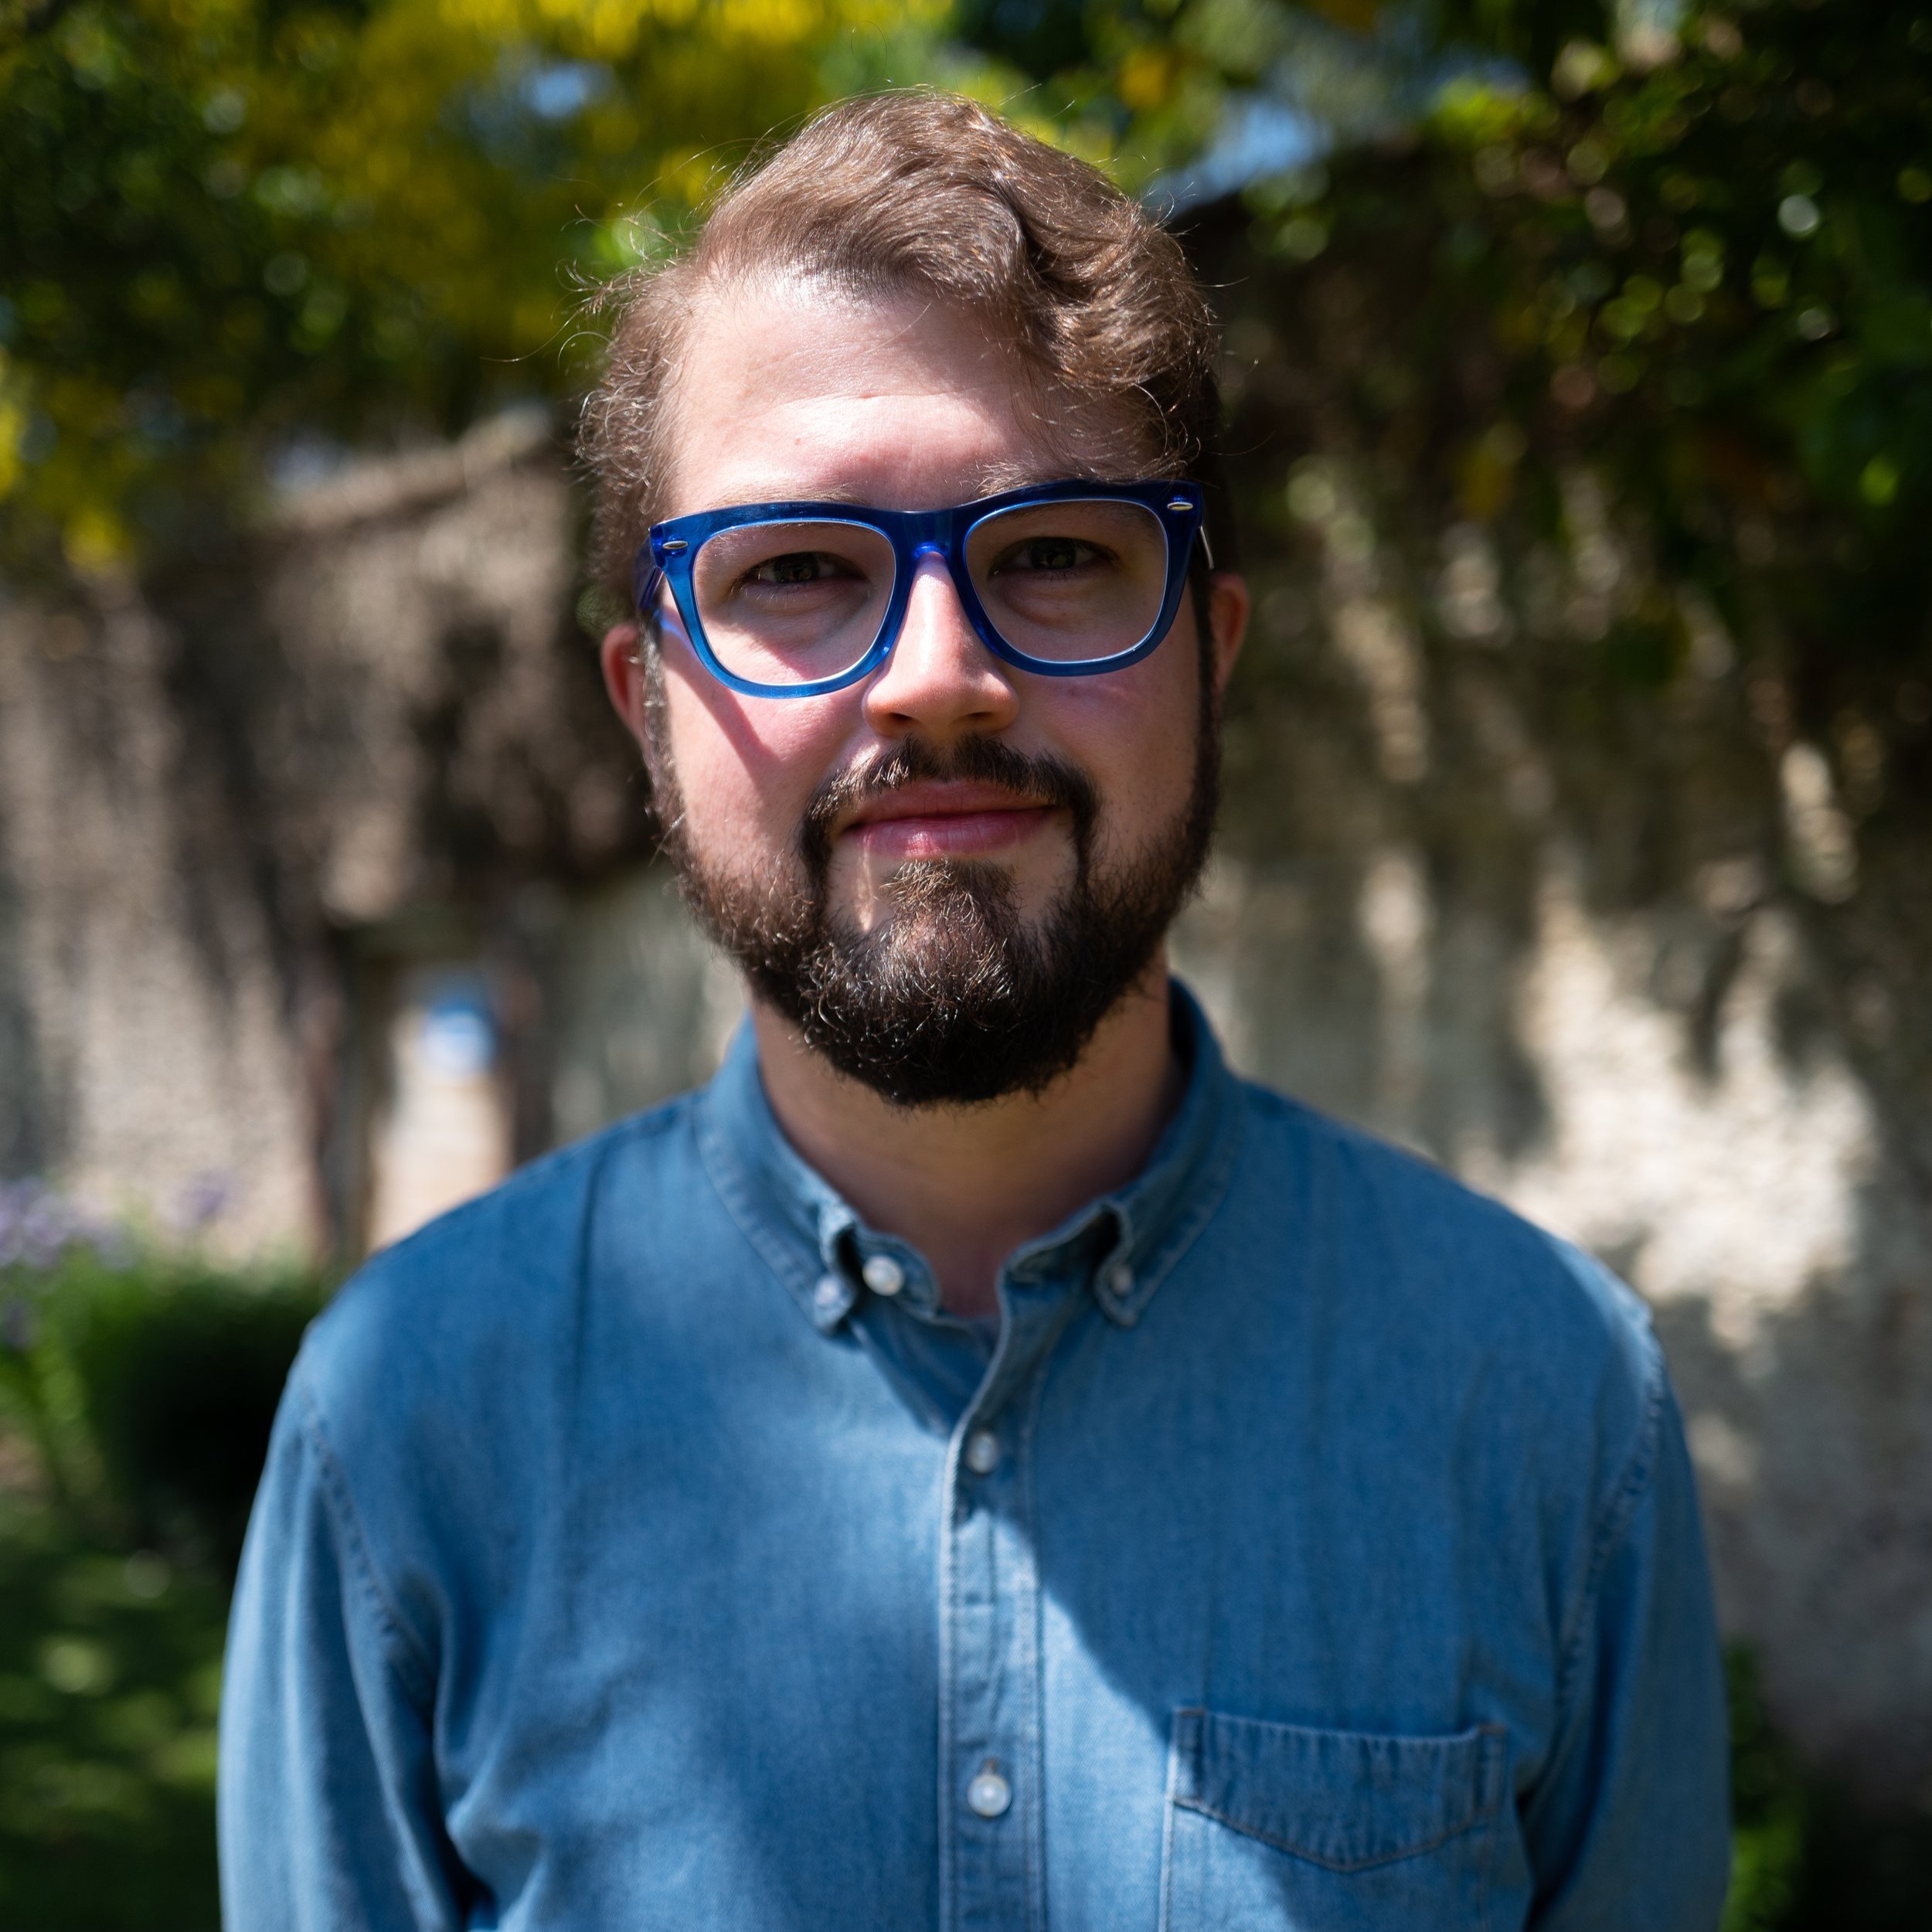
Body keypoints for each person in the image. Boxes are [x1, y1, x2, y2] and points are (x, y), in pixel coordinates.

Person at [219, 90, 1730, 1930]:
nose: (937, 676)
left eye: (1058, 552)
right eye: (794, 569)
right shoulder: (401, 1420)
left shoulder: (1548, 1395)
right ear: (647, 704)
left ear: (1210, 656)